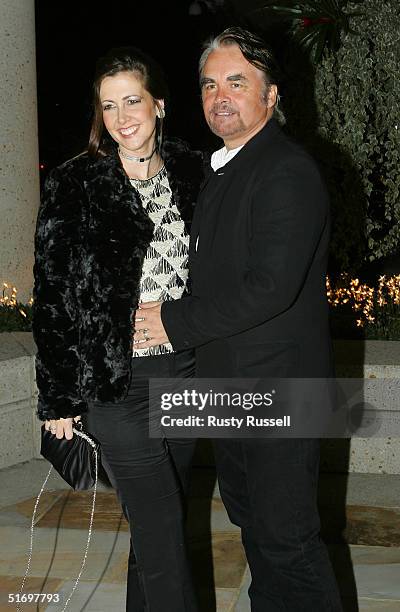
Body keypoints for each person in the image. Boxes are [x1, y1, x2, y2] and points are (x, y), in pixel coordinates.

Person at [134, 27, 344, 611]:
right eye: (209, 85)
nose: (219, 96)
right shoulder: (225, 169)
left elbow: (270, 289)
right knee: (255, 529)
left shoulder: (286, 170)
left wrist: (171, 322)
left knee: (288, 541)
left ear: (271, 94)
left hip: (282, 390)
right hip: (232, 389)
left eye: (237, 82)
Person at [32, 46, 206, 611]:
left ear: (159, 103)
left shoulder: (194, 171)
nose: (122, 117)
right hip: (115, 382)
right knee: (162, 531)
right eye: (109, 106)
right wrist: (57, 396)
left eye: (132, 100)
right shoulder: (76, 182)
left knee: (160, 527)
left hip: (186, 373)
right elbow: (53, 295)